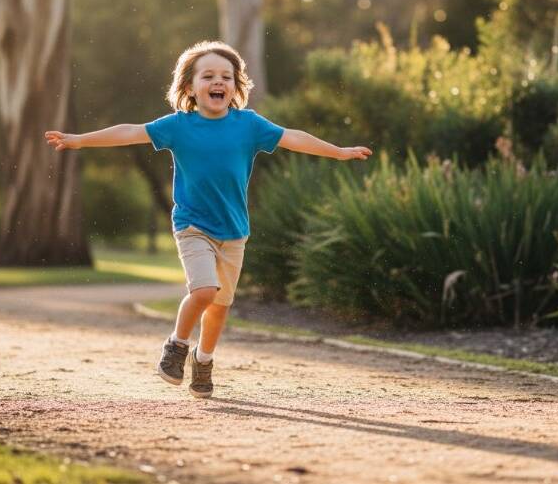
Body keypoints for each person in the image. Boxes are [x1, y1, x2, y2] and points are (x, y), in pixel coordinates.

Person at [44, 41, 371, 398]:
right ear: (189, 87)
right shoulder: (178, 126)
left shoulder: (249, 125)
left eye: (226, 77)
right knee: (204, 290)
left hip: (234, 231)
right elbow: (130, 131)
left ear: (235, 87)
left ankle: (204, 359)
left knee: (219, 307)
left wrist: (338, 151)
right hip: (192, 225)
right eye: (209, 76)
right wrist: (79, 141)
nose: (219, 82)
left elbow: (292, 138)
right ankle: (176, 345)